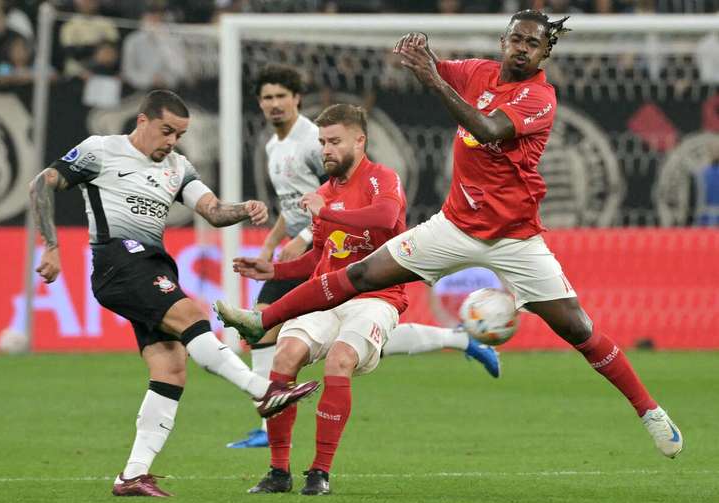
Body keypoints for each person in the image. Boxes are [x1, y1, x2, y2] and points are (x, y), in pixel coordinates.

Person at [215, 10, 683, 460]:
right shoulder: (478, 72)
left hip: (515, 237)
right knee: (360, 273)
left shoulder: (540, 98)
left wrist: (432, 77)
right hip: (455, 224)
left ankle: (650, 411)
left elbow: (487, 128)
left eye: (533, 44)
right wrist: (420, 52)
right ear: (504, 41)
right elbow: (431, 65)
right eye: (516, 39)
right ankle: (263, 319)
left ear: (545, 55)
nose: (522, 49)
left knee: (579, 330)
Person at [28, 90, 319, 498]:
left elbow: (214, 211)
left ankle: (132, 476)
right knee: (193, 317)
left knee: (170, 367)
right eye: (166, 131)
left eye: (179, 134)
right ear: (142, 121)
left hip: (152, 263)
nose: (171, 141)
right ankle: (263, 390)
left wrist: (245, 209)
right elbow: (42, 183)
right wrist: (51, 246)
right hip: (119, 260)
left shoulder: (177, 166)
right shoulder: (101, 150)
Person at [236, 103, 409, 495]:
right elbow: (320, 255)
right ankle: (279, 472)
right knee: (284, 354)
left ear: (359, 141)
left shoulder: (382, 179)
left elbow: (383, 219)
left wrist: (327, 211)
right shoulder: (324, 194)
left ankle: (320, 472)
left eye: (334, 141)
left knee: (339, 359)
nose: (325, 150)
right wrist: (274, 271)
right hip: (327, 295)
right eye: (321, 142)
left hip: (376, 296)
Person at [226, 64, 327, 449]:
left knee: (355, 335)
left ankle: (458, 340)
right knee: (261, 326)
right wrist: (270, 243)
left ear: (297, 98)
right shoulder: (273, 146)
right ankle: (269, 425)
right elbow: (292, 205)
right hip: (301, 247)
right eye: (267, 98)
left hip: (325, 246)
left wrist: (303, 237)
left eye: (281, 96)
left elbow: (335, 191)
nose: (274, 104)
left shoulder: (313, 140)